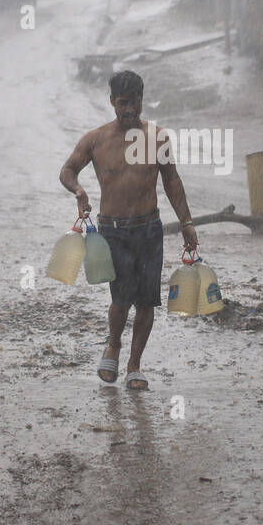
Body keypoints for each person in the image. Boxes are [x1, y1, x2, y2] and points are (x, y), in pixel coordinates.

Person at [59, 70, 199, 391]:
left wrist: (188, 223)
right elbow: (67, 169)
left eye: (134, 103)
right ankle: (114, 346)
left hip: (149, 228)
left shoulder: (157, 137)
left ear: (141, 101)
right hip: (113, 231)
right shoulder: (96, 140)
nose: (129, 110)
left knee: (147, 301)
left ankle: (135, 365)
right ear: (111, 102)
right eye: (122, 103)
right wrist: (79, 192)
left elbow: (172, 181)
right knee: (120, 299)